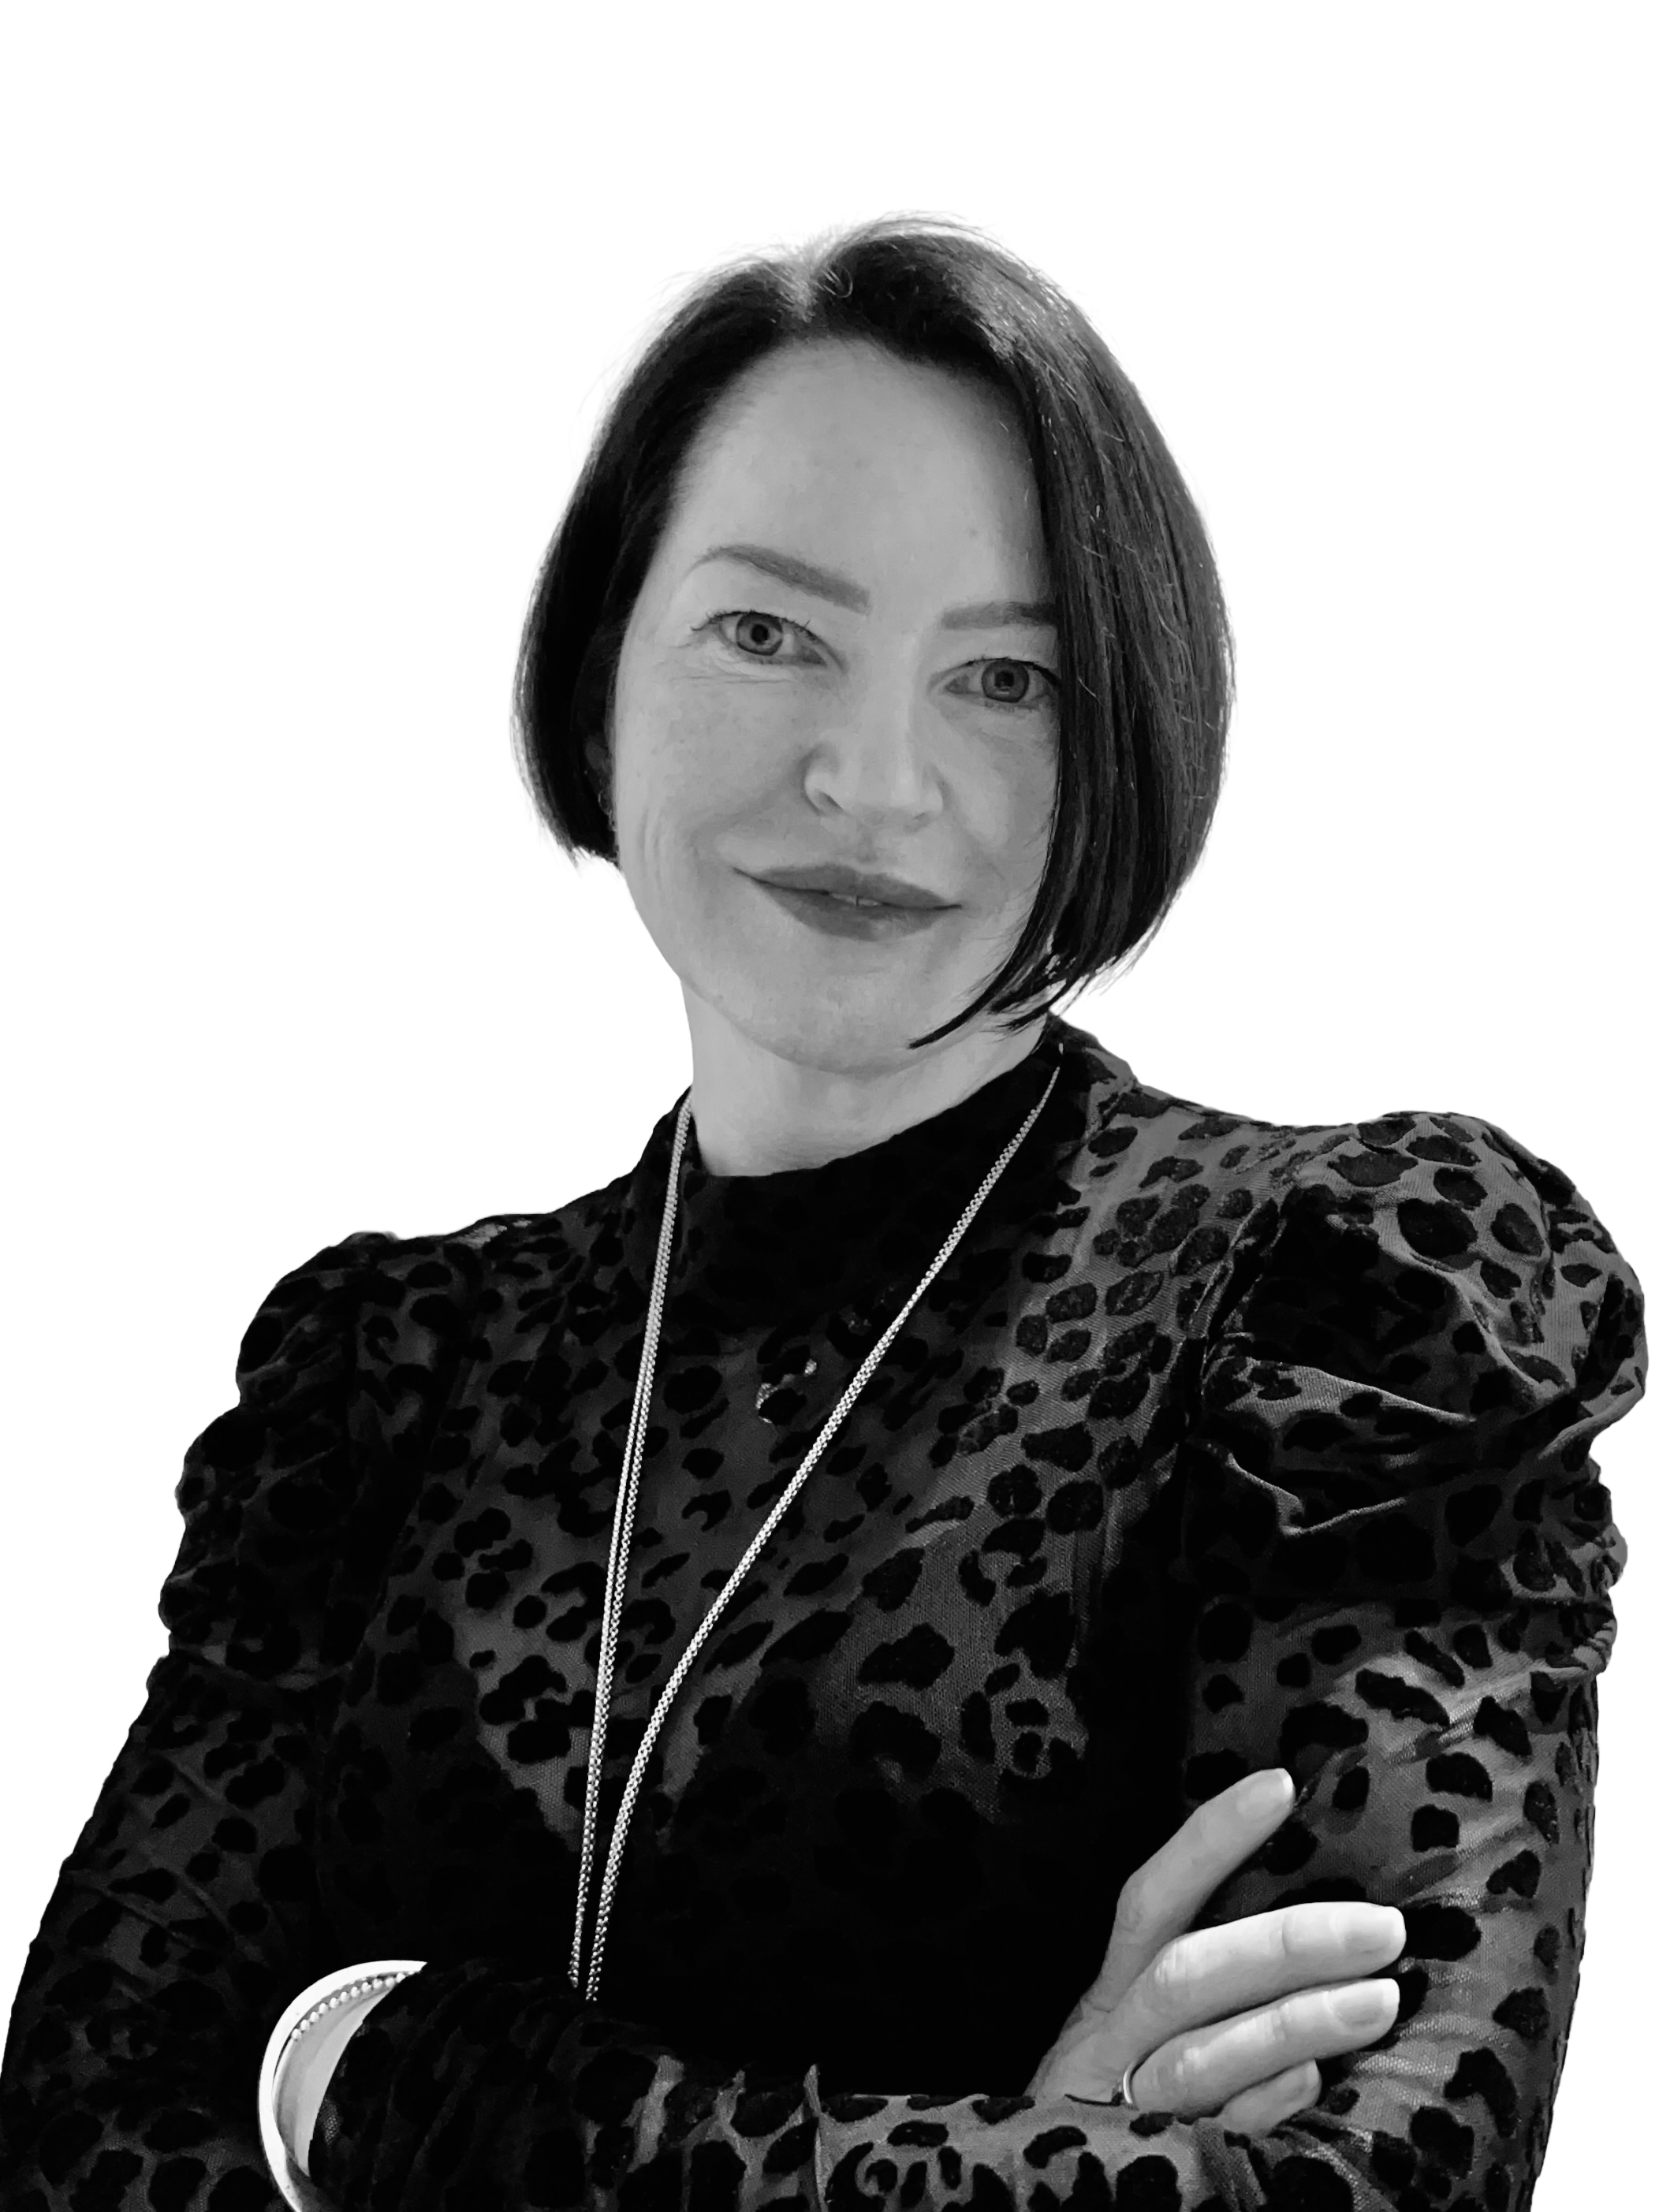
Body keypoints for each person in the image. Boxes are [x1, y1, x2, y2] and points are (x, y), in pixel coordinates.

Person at [1, 215, 1645, 2212]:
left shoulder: (1340, 1315)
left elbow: (1371, 2184)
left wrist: (380, 2068)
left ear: (1124, 723)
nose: (873, 778)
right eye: (768, 632)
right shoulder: (386, 1375)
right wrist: (1025, 2145)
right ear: (598, 664)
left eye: (1005, 676)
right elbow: (82, 2142)